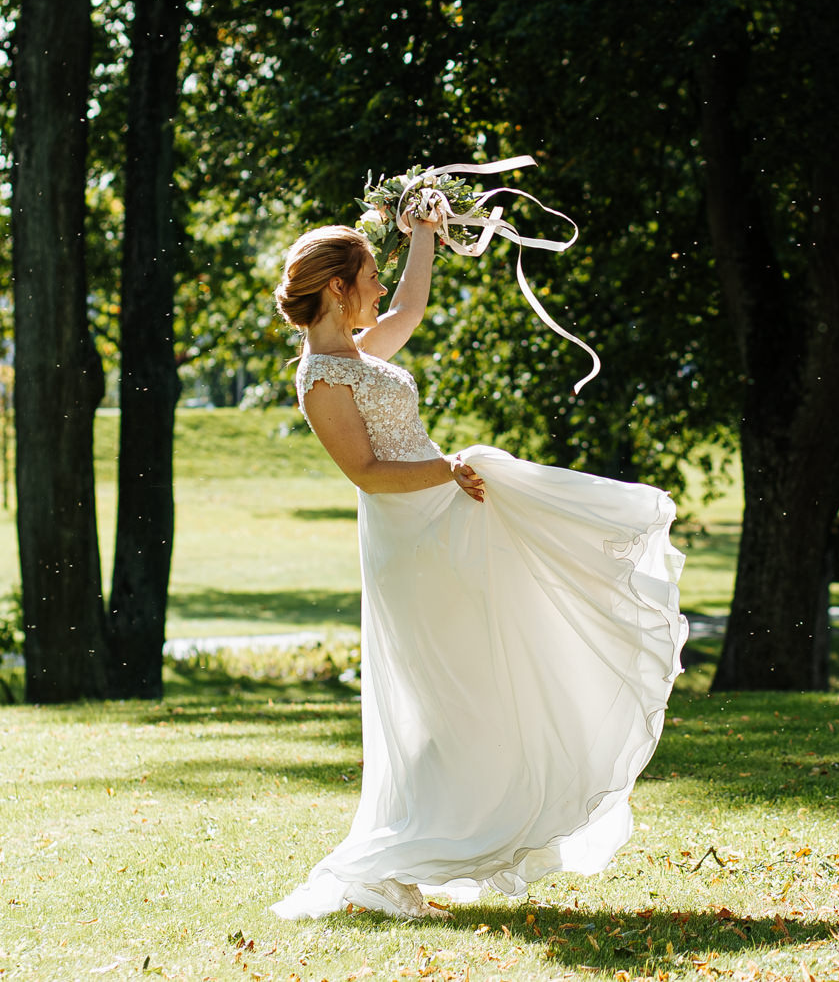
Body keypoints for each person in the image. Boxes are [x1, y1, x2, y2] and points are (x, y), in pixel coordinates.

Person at [268, 213, 687, 920]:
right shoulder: (320, 377)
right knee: (446, 689)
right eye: (369, 275)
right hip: (411, 530)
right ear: (338, 289)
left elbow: (413, 306)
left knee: (495, 664)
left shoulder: (364, 350)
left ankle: (458, 829)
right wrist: (448, 466)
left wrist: (423, 227)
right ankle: (386, 859)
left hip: (444, 507)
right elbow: (367, 473)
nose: (378, 288)